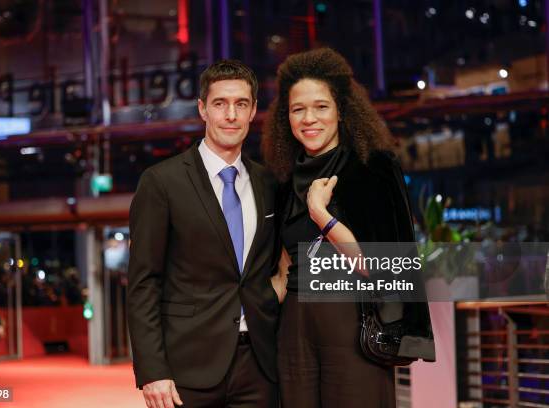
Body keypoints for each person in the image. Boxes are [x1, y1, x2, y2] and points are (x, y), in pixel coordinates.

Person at [263, 48, 435, 408]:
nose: (309, 118)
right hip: (293, 329)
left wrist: (320, 214)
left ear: (341, 110)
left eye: (321, 106)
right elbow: (281, 267)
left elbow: (385, 267)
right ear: (286, 117)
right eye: (298, 109)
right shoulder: (281, 178)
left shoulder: (372, 168)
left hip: (353, 323)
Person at [127, 60, 280, 408]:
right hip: (186, 369)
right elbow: (143, 282)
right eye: (220, 104)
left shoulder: (267, 183)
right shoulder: (162, 182)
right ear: (202, 109)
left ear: (254, 111)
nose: (231, 115)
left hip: (260, 365)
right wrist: (152, 369)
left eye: (241, 104)